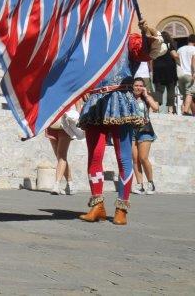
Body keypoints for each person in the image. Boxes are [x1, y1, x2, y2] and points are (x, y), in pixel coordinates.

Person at [78, 20, 165, 225]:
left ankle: (122, 208)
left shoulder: (129, 40)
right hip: (96, 102)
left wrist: (147, 32)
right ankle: (97, 205)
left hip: (120, 101)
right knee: (95, 155)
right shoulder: (91, 43)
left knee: (124, 157)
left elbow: (146, 52)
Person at [131, 77, 159, 195]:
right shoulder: (128, 98)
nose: (138, 87)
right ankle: (139, 185)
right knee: (135, 159)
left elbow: (156, 108)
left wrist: (146, 95)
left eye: (140, 86)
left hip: (145, 130)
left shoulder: (146, 98)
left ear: (143, 87)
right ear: (132, 86)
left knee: (143, 158)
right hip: (131, 130)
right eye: (136, 85)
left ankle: (151, 183)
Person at [45, 105, 82, 196]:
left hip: (66, 125)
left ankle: (56, 185)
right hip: (52, 125)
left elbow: (78, 108)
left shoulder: (70, 94)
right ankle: (70, 184)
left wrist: (76, 122)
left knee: (61, 154)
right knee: (59, 156)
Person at [152, 31, 179, 114]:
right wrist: (179, 62)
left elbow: (152, 58)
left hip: (158, 70)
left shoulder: (156, 46)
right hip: (170, 70)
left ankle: (156, 108)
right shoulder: (169, 45)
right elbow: (175, 55)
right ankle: (170, 110)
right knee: (170, 89)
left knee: (158, 90)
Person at [177, 34, 195, 115]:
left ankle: (183, 109)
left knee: (184, 94)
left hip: (180, 74)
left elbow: (177, 60)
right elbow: (193, 63)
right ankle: (186, 110)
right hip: (189, 74)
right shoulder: (194, 50)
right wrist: (194, 72)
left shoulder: (180, 49)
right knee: (189, 93)